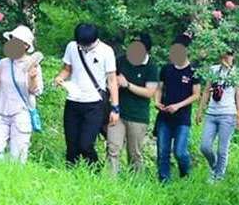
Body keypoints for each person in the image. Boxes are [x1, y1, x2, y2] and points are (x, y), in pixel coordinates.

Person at [54, 23, 119, 166]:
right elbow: (67, 69)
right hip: (73, 101)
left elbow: (112, 81)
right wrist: (60, 77)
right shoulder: (72, 47)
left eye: (87, 45)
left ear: (95, 40)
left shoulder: (106, 51)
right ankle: (72, 175)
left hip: (94, 104)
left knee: (86, 144)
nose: (84, 48)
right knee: (72, 146)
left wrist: (115, 108)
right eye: (81, 45)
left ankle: (94, 171)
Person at [0, 25, 43, 163]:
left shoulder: (33, 64)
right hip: (1, 112)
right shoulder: (3, 63)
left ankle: (14, 180)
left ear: (26, 46)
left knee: (18, 157)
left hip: (21, 113)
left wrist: (33, 77)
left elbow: (36, 91)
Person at [107, 33, 159, 174]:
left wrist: (127, 84)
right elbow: (110, 81)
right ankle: (109, 182)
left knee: (134, 153)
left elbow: (150, 92)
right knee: (113, 148)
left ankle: (136, 184)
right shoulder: (121, 61)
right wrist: (113, 85)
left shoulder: (152, 67)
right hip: (118, 112)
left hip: (138, 116)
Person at [154, 33, 201, 182]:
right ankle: (164, 181)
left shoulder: (193, 71)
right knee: (163, 151)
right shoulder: (166, 69)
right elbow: (159, 88)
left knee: (180, 152)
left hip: (182, 118)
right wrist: (157, 101)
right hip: (164, 116)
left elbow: (196, 94)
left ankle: (185, 173)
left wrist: (178, 106)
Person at [197, 49, 239, 181]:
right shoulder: (213, 70)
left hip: (228, 114)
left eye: (230, 54)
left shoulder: (237, 73)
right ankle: (214, 166)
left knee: (222, 149)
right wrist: (200, 110)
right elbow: (206, 91)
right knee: (205, 147)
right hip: (211, 113)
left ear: (233, 57)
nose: (226, 57)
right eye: (225, 54)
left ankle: (218, 177)